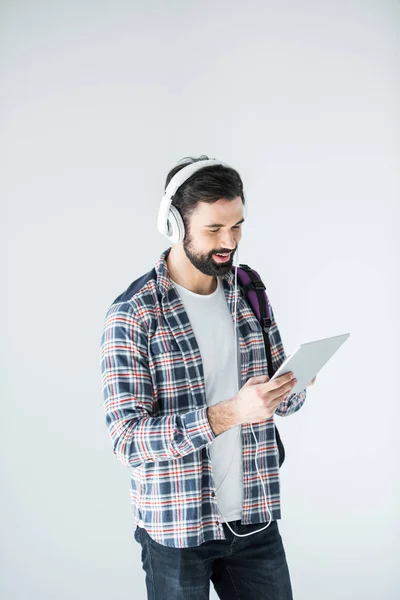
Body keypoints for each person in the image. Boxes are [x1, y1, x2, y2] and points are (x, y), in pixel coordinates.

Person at [100, 155, 316, 600]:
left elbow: (283, 404)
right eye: (214, 229)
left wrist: (293, 384)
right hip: (177, 530)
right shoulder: (134, 314)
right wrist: (231, 413)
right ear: (176, 227)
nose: (229, 242)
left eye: (236, 226)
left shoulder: (249, 289)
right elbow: (128, 440)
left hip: (254, 518)